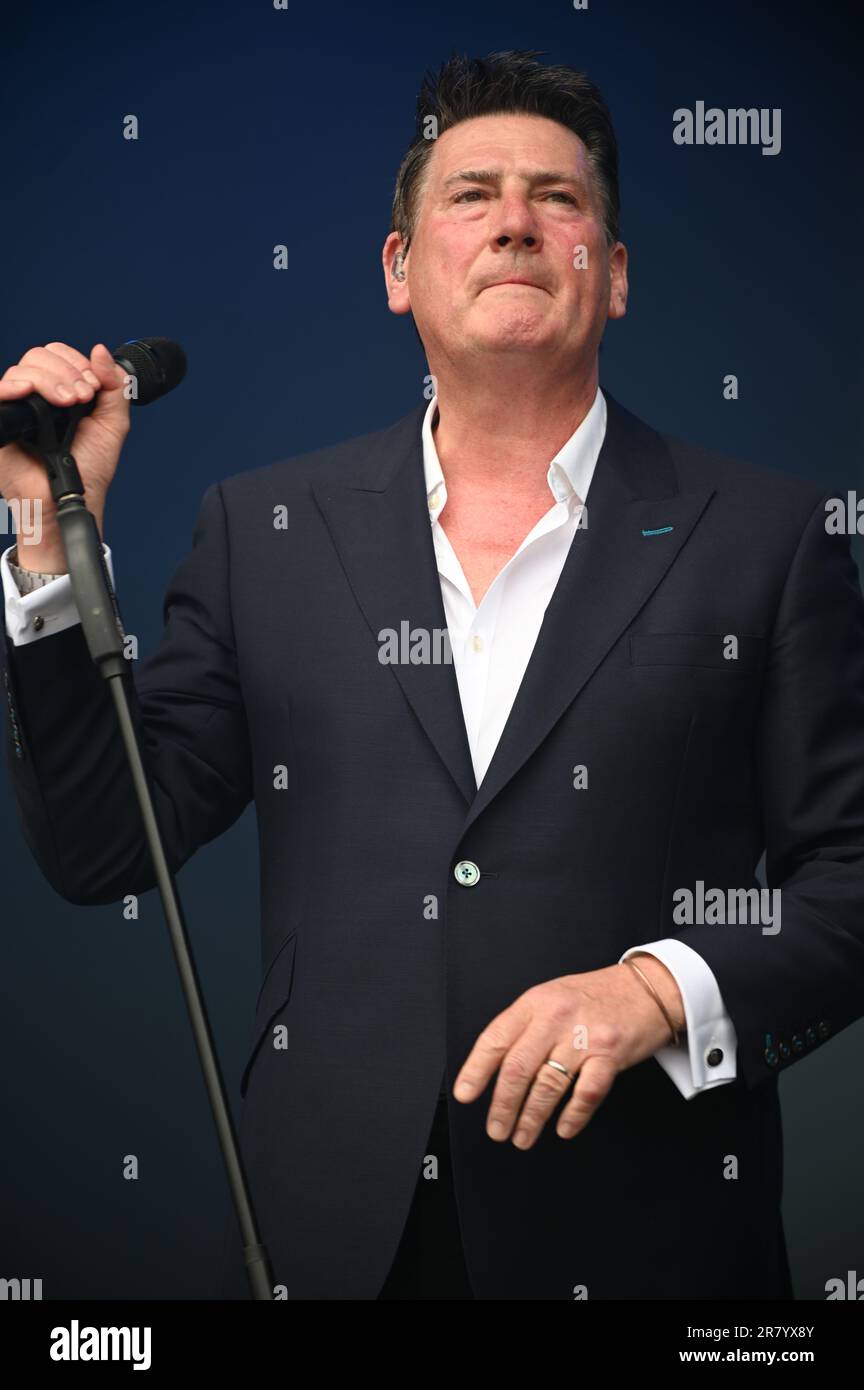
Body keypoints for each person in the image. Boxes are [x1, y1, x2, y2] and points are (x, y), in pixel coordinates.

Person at [1, 50, 863, 1301]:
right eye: (470, 193)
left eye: (558, 198)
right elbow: (99, 846)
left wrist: (662, 989)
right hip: (333, 1238)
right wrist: (42, 539)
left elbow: (850, 876)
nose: (515, 219)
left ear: (612, 275)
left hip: (655, 1236)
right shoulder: (265, 528)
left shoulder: (770, 535)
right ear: (400, 271)